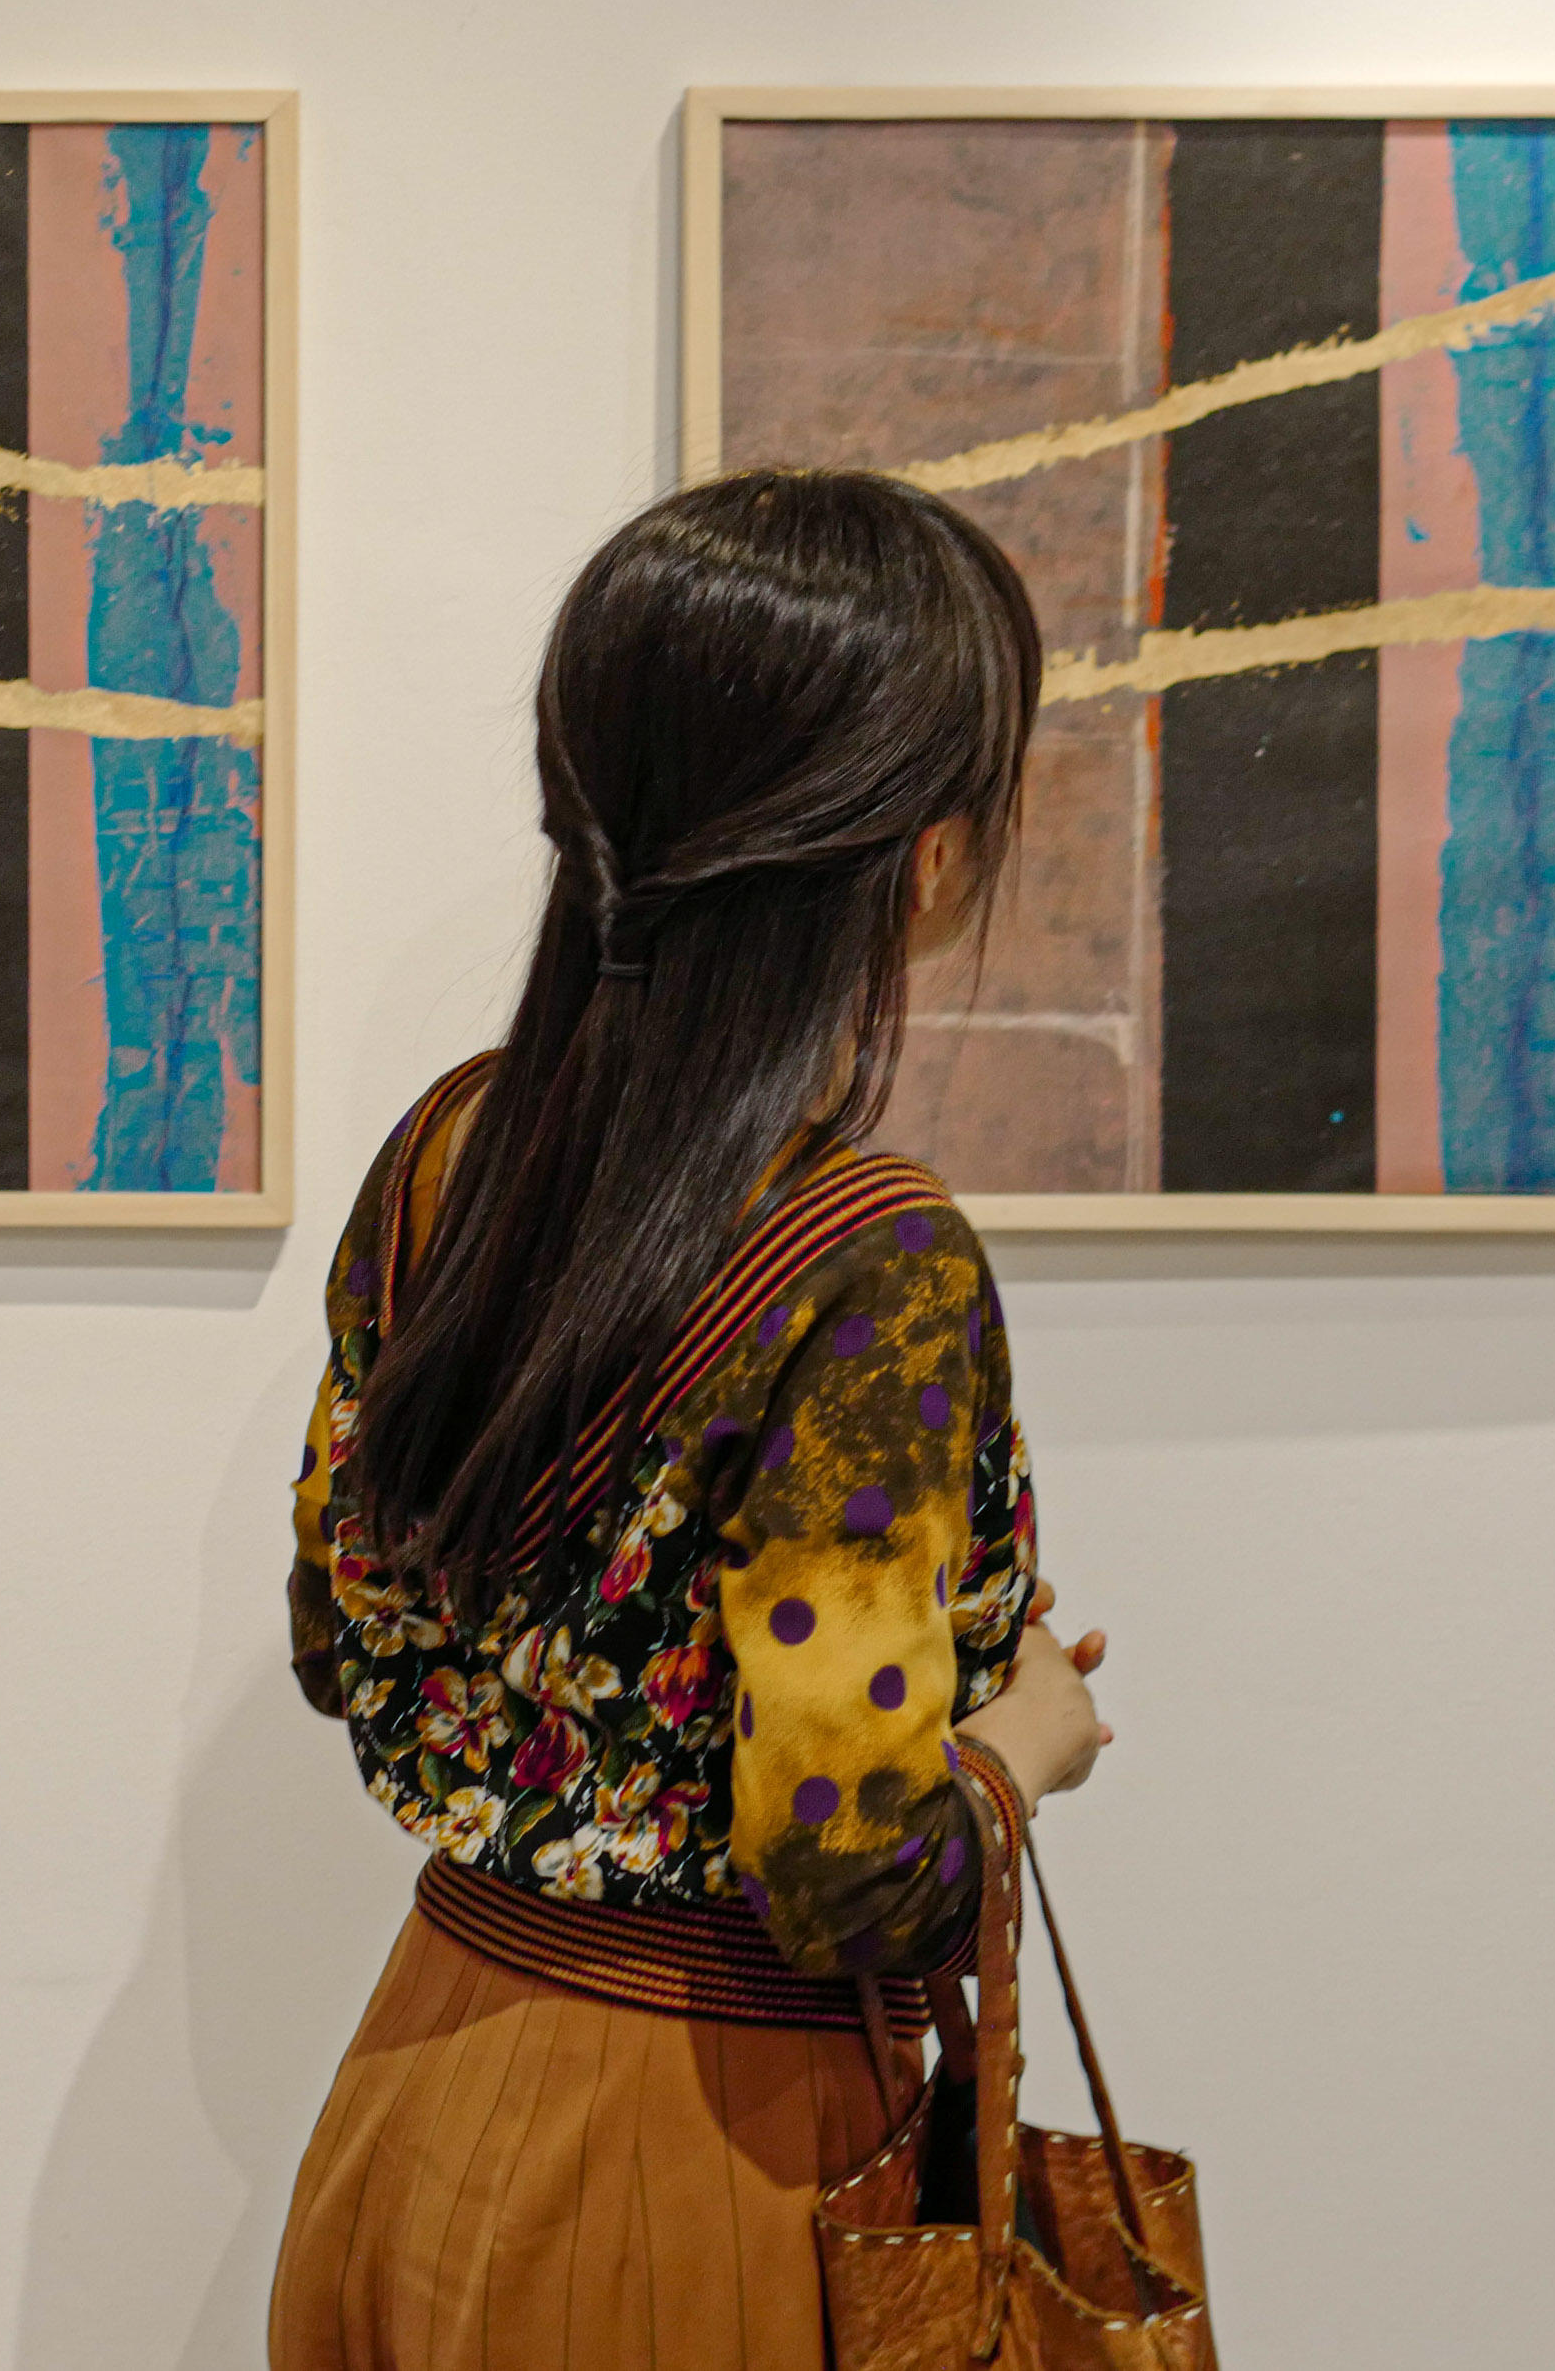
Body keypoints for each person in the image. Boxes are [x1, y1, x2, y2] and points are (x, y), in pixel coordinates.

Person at [270, 469, 1116, 2371]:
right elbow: (843, 1864)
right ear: (922, 855)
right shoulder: (866, 1259)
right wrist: (1021, 1745)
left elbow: (343, 1644)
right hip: (697, 2161)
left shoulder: (449, 1151)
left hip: (411, 2085)